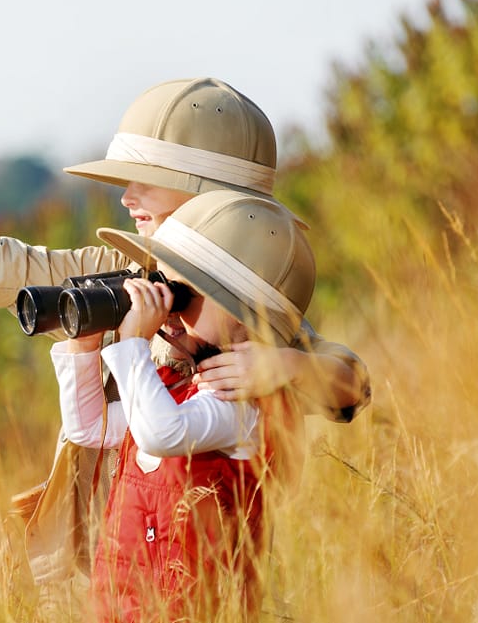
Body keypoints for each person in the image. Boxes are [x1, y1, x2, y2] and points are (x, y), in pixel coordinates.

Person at [0, 77, 370, 608]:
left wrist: (284, 365)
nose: (126, 198)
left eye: (145, 183)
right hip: (95, 556)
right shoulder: (121, 269)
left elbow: (350, 382)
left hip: (196, 571)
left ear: (209, 193)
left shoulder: (246, 305)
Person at [53, 188, 314, 621]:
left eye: (184, 295)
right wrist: (84, 347)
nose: (170, 310)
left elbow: (162, 433)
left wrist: (134, 341)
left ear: (245, 316)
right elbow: (90, 428)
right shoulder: (175, 386)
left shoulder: (240, 403)